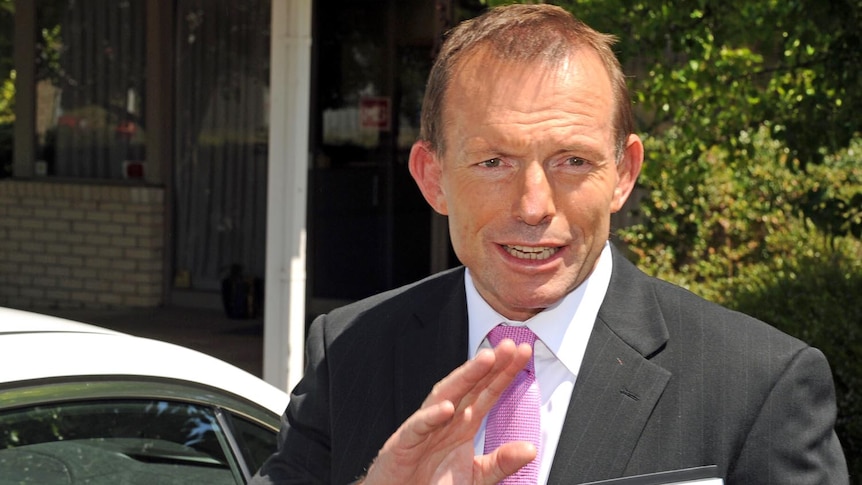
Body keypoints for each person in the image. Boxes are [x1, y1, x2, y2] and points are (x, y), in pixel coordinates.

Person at [252, 4, 849, 484]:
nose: (534, 205)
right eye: (493, 161)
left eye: (572, 161)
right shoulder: (349, 352)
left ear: (623, 173)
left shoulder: (760, 384)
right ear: (433, 178)